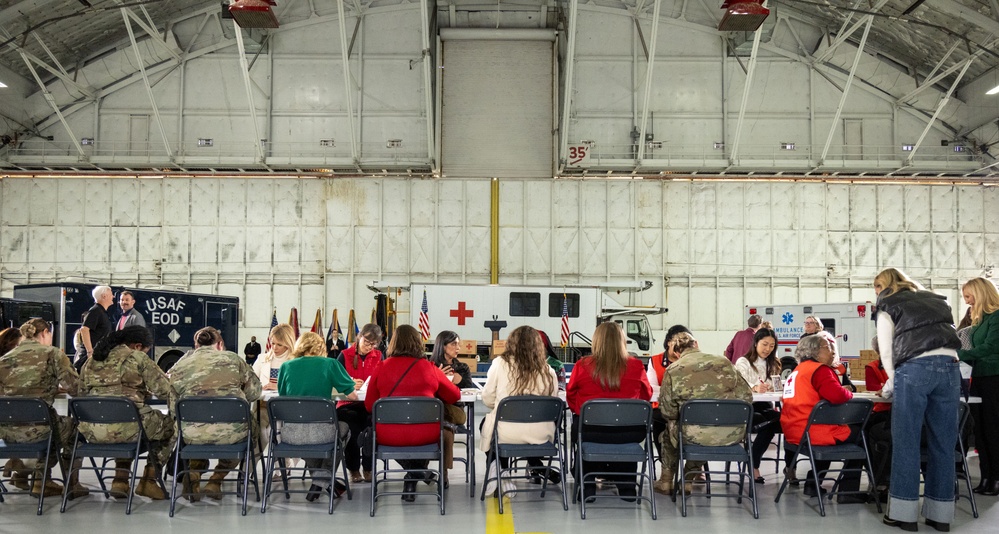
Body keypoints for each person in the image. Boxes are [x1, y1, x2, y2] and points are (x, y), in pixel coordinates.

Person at [875, 268, 962, 531]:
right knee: (944, 445)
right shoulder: (937, 300)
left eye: (876, 287)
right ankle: (941, 516)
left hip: (913, 369)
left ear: (883, 286)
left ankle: (903, 515)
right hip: (950, 367)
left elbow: (887, 350)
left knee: (906, 443)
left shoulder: (887, 304)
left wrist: (891, 383)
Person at [364, 324, 460, 502]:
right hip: (426, 434)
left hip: (387, 435)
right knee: (435, 430)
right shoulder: (430, 368)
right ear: (417, 342)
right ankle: (416, 474)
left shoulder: (381, 367)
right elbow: (454, 396)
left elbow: (370, 406)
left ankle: (414, 476)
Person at [79, 326, 175, 500]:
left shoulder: (92, 360)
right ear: (137, 346)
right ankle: (149, 481)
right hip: (130, 427)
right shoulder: (137, 358)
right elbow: (164, 390)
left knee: (122, 418)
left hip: (92, 430)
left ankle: (120, 480)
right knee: (172, 426)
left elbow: (81, 392)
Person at [169, 326, 262, 502]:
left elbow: (173, 407)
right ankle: (216, 480)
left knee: (200, 429)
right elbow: (254, 393)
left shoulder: (181, 365)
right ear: (220, 345)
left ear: (196, 346)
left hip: (191, 433)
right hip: (232, 432)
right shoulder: (234, 359)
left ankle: (194, 473)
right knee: (252, 430)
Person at [0, 318, 87, 499]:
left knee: (53, 427)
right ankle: (67, 483)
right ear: (45, 333)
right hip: (41, 428)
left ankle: (34, 477)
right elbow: (75, 388)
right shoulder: (52, 354)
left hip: (6, 430)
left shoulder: (4, 359)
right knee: (76, 429)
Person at [566, 322, 652, 502]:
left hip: (591, 431)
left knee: (581, 427)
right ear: (623, 341)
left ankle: (587, 488)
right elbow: (646, 396)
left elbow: (571, 396)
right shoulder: (636, 366)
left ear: (596, 341)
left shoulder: (582, 365)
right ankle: (628, 489)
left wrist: (584, 414)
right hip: (629, 433)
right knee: (622, 432)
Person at [658, 332, 753, 495]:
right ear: (696, 344)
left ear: (676, 352)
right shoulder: (724, 362)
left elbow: (668, 411)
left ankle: (666, 481)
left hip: (693, 435)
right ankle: (688, 479)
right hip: (732, 434)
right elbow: (747, 397)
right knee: (706, 431)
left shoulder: (673, 369)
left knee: (673, 432)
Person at [780, 333, 866, 504]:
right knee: (863, 435)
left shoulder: (797, 371)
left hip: (794, 431)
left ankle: (814, 482)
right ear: (815, 352)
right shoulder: (819, 370)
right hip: (814, 432)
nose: (833, 352)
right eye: (828, 347)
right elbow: (837, 396)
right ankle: (848, 491)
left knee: (835, 430)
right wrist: (848, 390)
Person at [480, 326, 560, 495]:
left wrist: (503, 409)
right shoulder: (549, 371)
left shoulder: (500, 364)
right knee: (496, 425)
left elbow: (487, 398)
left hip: (507, 433)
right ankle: (504, 473)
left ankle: (500, 472)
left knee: (489, 426)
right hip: (541, 434)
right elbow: (552, 403)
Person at [277, 332, 357, 501]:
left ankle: (319, 482)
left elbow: (283, 396)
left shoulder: (286, 366)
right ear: (321, 348)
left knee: (308, 440)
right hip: (322, 433)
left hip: (291, 434)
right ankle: (322, 481)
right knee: (344, 430)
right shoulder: (330, 364)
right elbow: (352, 396)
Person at [956, 277, 999, 496]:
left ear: (980, 293)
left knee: (992, 429)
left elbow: (989, 347)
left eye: (968, 296)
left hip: (993, 378)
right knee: (980, 429)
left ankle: (995, 478)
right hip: (979, 377)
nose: (967, 301)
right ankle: (985, 477)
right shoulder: (979, 320)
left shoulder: (996, 317)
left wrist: (959, 354)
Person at [733, 327, 782, 483]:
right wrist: (754, 387)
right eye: (765, 344)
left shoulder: (773, 363)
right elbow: (739, 384)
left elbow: (776, 385)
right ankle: (754, 465)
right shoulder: (743, 362)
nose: (768, 349)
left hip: (766, 405)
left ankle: (790, 468)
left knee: (786, 421)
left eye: (772, 346)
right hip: (747, 406)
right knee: (766, 425)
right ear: (755, 343)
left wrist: (778, 387)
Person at [337, 323, 384, 483]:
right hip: (347, 404)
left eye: (373, 344)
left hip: (369, 404)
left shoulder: (379, 356)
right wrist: (349, 383)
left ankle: (369, 468)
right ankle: (354, 469)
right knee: (352, 430)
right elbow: (336, 381)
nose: (369, 347)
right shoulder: (344, 355)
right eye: (366, 342)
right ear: (359, 337)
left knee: (372, 428)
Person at [77, 285, 114, 371]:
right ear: (104, 296)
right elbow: (84, 329)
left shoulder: (102, 312)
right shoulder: (95, 311)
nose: (113, 296)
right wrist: (90, 352)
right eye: (111, 294)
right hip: (93, 357)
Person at [253, 323, 296, 392]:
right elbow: (250, 382)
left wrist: (279, 387)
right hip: (264, 401)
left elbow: (298, 388)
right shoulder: (261, 359)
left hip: (287, 402)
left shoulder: (296, 361)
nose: (274, 348)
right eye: (273, 343)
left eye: (279, 345)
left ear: (288, 344)